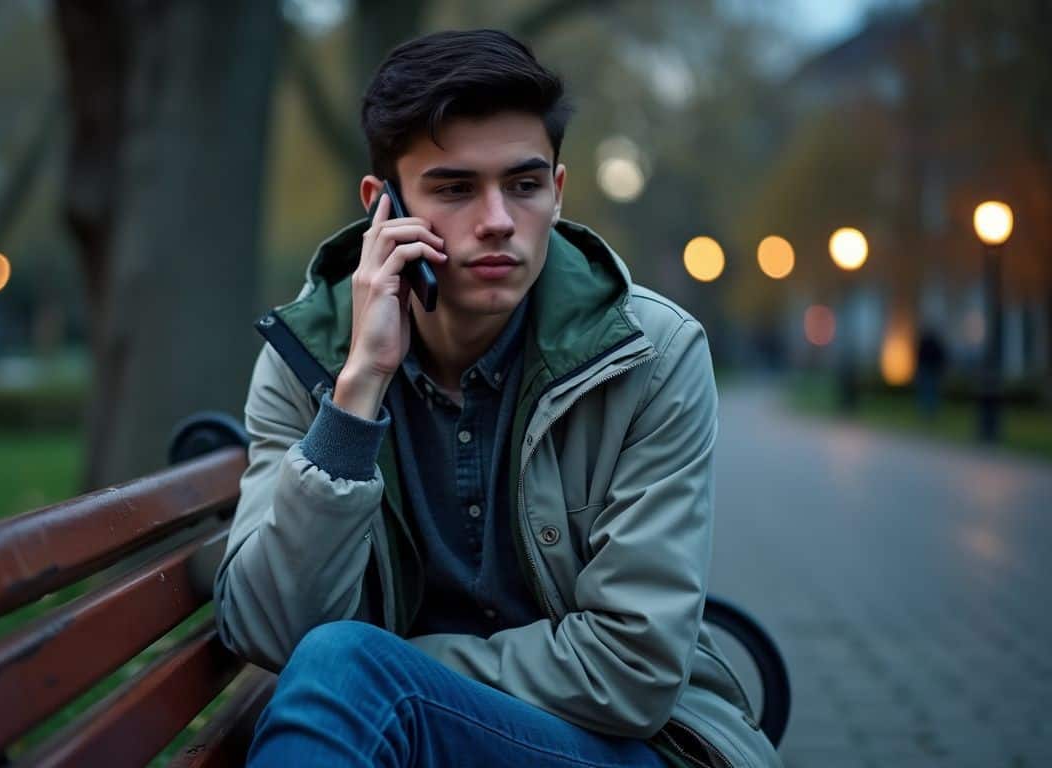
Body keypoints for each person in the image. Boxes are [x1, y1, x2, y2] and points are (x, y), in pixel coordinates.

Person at [213, 29, 782, 768]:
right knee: (345, 672)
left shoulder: (651, 355)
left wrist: (399, 675)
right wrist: (356, 394)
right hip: (391, 735)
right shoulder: (311, 361)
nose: (498, 221)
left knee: (346, 670)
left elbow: (633, 670)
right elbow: (270, 630)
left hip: (631, 749)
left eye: (524, 184)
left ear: (558, 189)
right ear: (381, 206)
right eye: (454, 188)